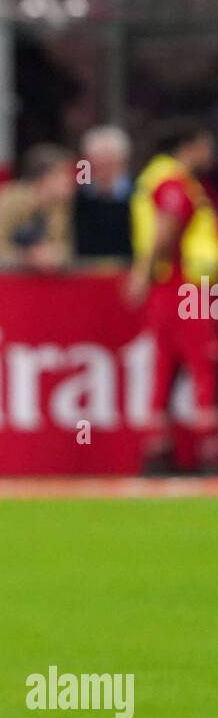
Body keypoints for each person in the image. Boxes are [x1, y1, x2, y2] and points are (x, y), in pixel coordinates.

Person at [127, 120, 218, 475]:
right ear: (188, 146)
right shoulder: (173, 182)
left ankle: (158, 453)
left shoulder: (157, 178)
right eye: (205, 146)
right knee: (202, 364)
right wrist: (142, 274)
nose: (209, 155)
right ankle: (209, 454)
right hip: (187, 286)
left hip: (173, 286)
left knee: (165, 366)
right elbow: (166, 229)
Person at [0, 142, 74, 270]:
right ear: (46, 178)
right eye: (65, 175)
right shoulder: (7, 200)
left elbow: (68, 250)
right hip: (6, 282)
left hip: (46, 284)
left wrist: (54, 256)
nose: (70, 182)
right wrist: (25, 258)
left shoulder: (61, 208)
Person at [73, 125, 133, 262]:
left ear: (121, 159)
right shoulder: (79, 197)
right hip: (87, 273)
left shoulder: (139, 193)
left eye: (108, 160)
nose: (102, 165)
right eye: (97, 161)